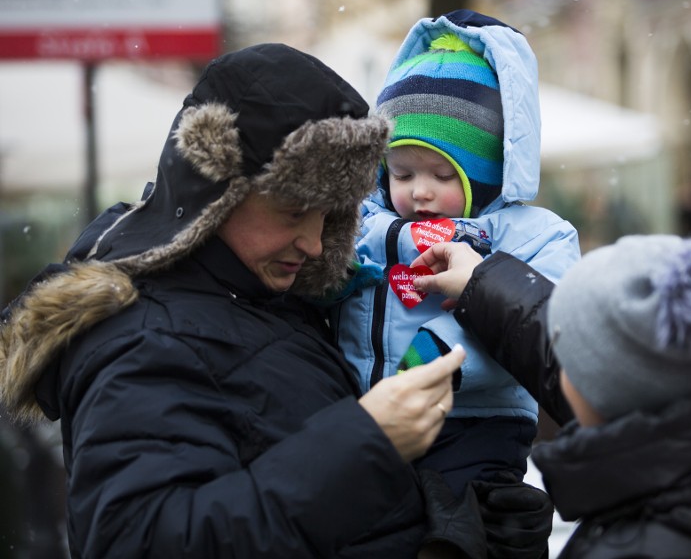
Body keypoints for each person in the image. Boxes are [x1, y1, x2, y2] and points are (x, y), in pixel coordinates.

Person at [0, 43, 554, 558]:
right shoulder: (146, 338)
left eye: (330, 216)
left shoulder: (272, 296)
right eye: (294, 211)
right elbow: (142, 541)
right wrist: (368, 445)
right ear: (218, 193)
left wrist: (455, 525)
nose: (315, 243)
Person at [412, 235, 691, 558]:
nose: (560, 366)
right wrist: (483, 282)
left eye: (569, 359)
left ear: (588, 391)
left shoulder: (631, 548)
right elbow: (612, 347)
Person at [331, 9, 581, 505]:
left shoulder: (535, 236)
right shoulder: (365, 221)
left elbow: (538, 320)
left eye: (443, 176)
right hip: (370, 408)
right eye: (401, 173)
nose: (420, 192)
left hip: (479, 418)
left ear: (484, 173)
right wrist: (338, 281)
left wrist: (440, 352)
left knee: (462, 517)